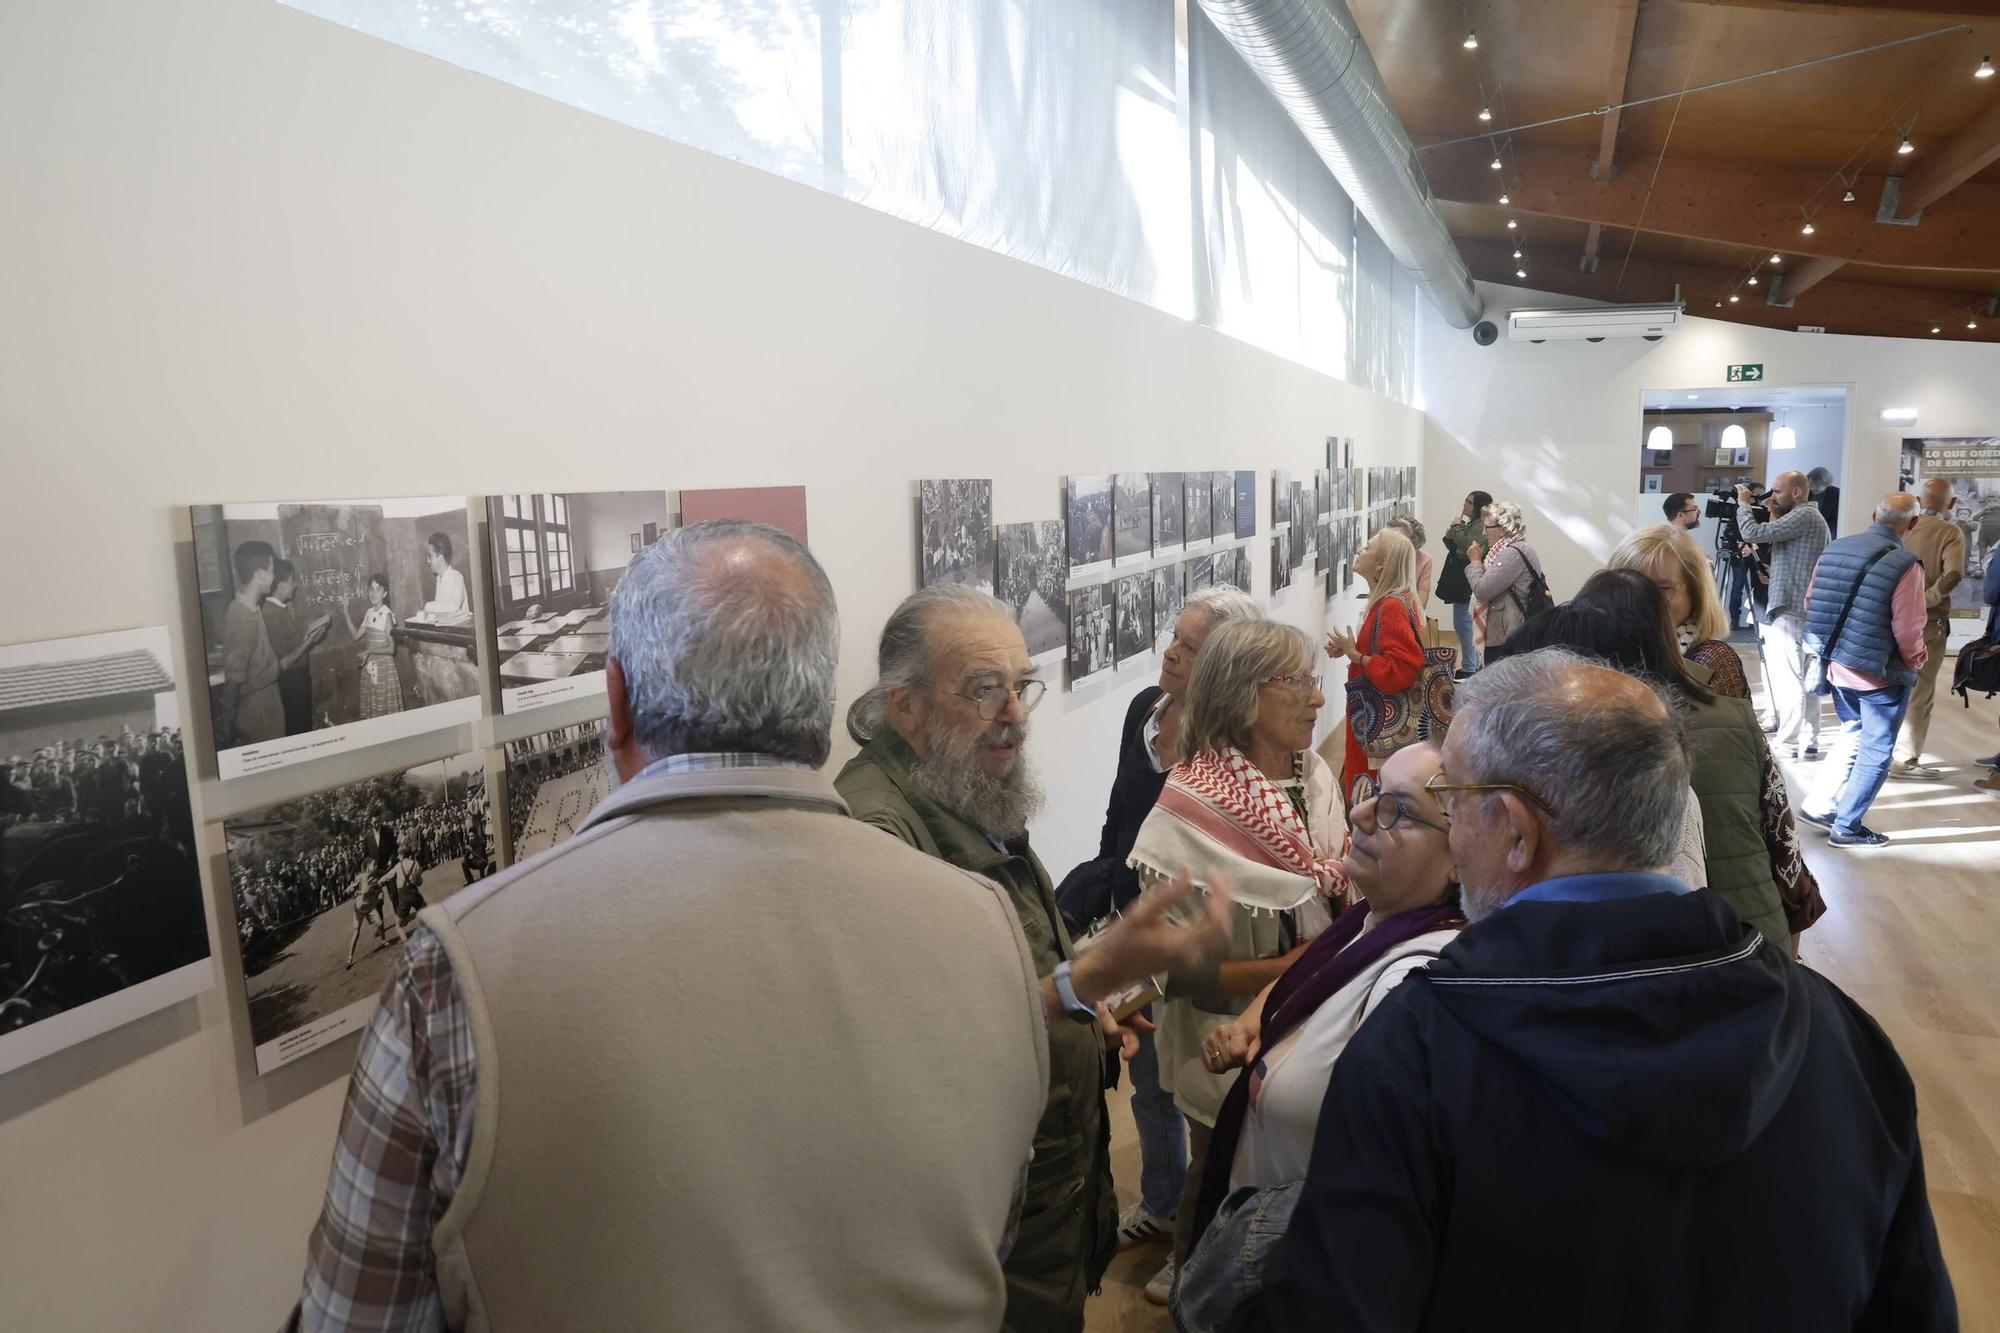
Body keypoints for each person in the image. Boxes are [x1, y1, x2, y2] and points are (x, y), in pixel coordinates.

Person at [292, 523, 1217, 1333]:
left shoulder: (452, 970)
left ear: (612, 703)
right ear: (821, 714)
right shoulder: (974, 921)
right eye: (987, 688)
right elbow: (993, 1222)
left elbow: (358, 1310)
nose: (1013, 711)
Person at [1246, 649, 1957, 1332]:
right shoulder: (1839, 1032)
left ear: (1518, 835)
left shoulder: (1415, 1051)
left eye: (1451, 797)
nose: (1450, 828)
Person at [836, 584, 1233, 1333]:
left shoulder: (961, 787)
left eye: (1022, 685)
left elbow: (1004, 964)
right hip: (979, 1228)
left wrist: (1085, 1012)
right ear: (906, 706)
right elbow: (906, 1049)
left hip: (1040, 1196)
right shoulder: (878, 834)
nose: (1015, 713)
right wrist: (1083, 982)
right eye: (984, 690)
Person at [1124, 618, 1349, 1304]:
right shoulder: (1187, 815)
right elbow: (1179, 972)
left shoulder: (1312, 778)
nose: (1317, 698)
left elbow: (1335, 885)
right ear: (1246, 695)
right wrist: (1304, 966)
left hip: (1312, 1038)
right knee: (1220, 1197)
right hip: (1220, 1060)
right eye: (1300, 682)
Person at [1053, 586, 1261, 1254]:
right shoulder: (1144, 709)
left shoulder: (1233, 743)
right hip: (1130, 917)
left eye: (1189, 646)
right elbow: (1120, 807)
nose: (1170, 651)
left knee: (1194, 1080)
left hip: (1195, 924)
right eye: (1174, 636)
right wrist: (1111, 879)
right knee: (1145, 1077)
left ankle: (1203, 1238)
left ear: (1224, 662)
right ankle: (1165, 1200)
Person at [1191, 742, 1462, 1223]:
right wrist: (1260, 1020)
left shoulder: (1414, 987)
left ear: (1463, 853)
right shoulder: (1369, 920)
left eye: (1397, 810)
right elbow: (1316, 978)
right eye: (1374, 792)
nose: (1359, 812)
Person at [1500, 571, 1818, 951]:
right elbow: (1785, 849)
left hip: (1709, 949)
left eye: (1666, 583)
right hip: (1750, 939)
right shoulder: (1718, 714)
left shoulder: (1612, 743)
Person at [1799, 494, 1929, 847]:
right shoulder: (1906, 564)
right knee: (1876, 748)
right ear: (1913, 524)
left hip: (1836, 663)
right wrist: (1916, 658)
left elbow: (1811, 601)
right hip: (1878, 672)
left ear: (1874, 514)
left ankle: (1819, 803)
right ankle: (1847, 827)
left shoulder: (1836, 549)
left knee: (1852, 730)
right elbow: (1908, 629)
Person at [1326, 528, 1426, 806]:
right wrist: (1352, 651)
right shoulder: (1391, 601)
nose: (1360, 551)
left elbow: (1400, 670)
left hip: (1376, 720)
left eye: (1368, 548)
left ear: (1382, 563)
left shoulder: (1391, 606)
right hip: (1371, 718)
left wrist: (1357, 657)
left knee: (1369, 800)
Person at [1736, 470, 1830, 761]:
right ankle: (1810, 741)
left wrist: (1743, 506)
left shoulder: (1805, 515)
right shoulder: (1804, 518)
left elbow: (1753, 533)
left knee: (1789, 680)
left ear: (1797, 493)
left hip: (1792, 609)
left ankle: (1788, 744)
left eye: (1777, 492)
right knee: (1806, 680)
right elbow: (1776, 546)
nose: (1771, 497)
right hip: (1800, 608)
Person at [1608, 523, 1746, 695]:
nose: (1644, 599)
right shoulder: (1597, 652)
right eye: (1629, 586)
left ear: (1696, 592)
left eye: (1663, 588)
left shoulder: (1712, 662)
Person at [1893, 477, 1966, 779]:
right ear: (1951, 504)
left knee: (1889, 686)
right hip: (1928, 623)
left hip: (1892, 619)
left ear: (1920, 501)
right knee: (1919, 692)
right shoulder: (1950, 531)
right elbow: (1954, 573)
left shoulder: (1903, 527)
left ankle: (1878, 754)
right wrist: (1926, 600)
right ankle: (1905, 760)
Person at [219, 540, 285, 746]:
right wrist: (226, 726)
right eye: (272, 570)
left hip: (268, 698)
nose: (274, 577)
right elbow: (233, 677)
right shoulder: (241, 616)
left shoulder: (251, 608)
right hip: (258, 708)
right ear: (260, 575)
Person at [1463, 500, 1542, 652]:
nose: (1483, 533)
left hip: (1507, 637)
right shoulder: (1510, 549)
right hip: (1507, 633)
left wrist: (1474, 561)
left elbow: (1482, 590)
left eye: (1487, 528)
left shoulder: (1512, 554)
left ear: (1504, 528)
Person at [263, 559, 326, 736]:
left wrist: (311, 638)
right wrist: (309, 642)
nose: (295, 586)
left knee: (303, 726)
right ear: (281, 585)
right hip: (290, 683)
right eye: (292, 581)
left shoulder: (280, 609)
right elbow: (284, 662)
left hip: (298, 680)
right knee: (297, 729)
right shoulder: (271, 613)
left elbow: (290, 645)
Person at [1435, 490, 1490, 675]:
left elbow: (1467, 546)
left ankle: (1469, 667)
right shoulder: (1474, 524)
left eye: (1469, 502)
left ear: (1478, 508)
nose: (1464, 504)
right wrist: (1454, 530)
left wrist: (1456, 528)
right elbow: (1455, 546)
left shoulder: (1479, 524)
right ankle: (1470, 665)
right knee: (1463, 623)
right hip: (1462, 578)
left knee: (1463, 624)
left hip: (1466, 580)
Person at [344, 573, 404, 718]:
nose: (374, 593)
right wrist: (346, 611)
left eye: (378, 589)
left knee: (385, 711)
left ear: (385, 593)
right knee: (374, 709)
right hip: (370, 666)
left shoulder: (387, 615)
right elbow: (356, 636)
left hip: (384, 666)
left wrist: (369, 651)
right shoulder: (369, 613)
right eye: (371, 589)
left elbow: (391, 649)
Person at [1387, 516, 1433, 609]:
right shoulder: (1384, 558)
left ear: (1413, 541)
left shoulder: (1424, 560)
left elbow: (1422, 597)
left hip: (1410, 612)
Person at [421, 531, 469, 615]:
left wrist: (428, 606)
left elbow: (454, 606)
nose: (428, 560)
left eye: (430, 556)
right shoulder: (439, 579)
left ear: (440, 558)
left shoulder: (457, 577)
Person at [1809, 465, 1842, 537]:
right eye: (1810, 484)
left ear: (1825, 484)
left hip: (1827, 532)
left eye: (1816, 485)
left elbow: (1836, 519)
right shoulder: (1806, 492)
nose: (1811, 488)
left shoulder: (1836, 494)